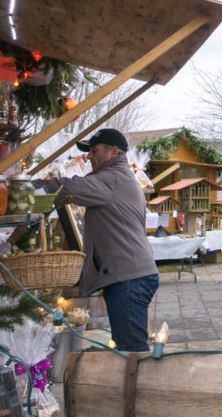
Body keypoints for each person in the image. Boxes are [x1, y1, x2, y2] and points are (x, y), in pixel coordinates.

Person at [37, 128, 158, 352]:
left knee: (132, 353)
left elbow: (71, 188)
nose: (90, 156)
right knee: (128, 348)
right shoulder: (118, 177)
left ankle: (138, 387)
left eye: (94, 150)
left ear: (113, 151)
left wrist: (28, 187)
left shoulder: (111, 178)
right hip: (130, 275)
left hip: (129, 279)